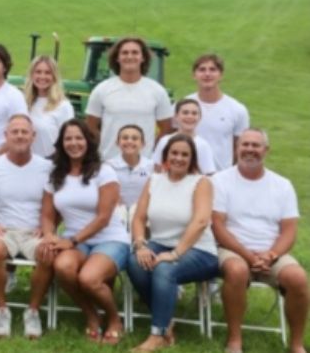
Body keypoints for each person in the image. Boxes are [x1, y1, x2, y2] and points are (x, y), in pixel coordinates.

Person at [212, 129, 307, 353]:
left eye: (256, 145)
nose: (250, 150)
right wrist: (247, 255)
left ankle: (296, 344)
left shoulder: (282, 185)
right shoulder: (220, 181)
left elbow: (289, 230)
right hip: (232, 249)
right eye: (245, 145)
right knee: (236, 271)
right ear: (237, 148)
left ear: (266, 150)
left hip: (271, 251)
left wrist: (271, 255)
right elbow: (217, 225)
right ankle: (235, 340)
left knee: (298, 278)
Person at [37, 119, 130, 345]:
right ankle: (90, 314)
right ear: (61, 143)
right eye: (68, 138)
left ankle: (114, 319)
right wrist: (49, 235)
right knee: (63, 267)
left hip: (109, 238)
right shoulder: (55, 174)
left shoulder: (104, 171)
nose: (74, 143)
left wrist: (72, 240)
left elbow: (103, 217)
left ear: (88, 141)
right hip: (75, 240)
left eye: (79, 138)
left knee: (89, 278)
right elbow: (48, 215)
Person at [126, 134, 218, 352]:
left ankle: (156, 334)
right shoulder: (154, 180)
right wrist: (140, 245)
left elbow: (201, 221)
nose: (178, 158)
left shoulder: (201, 182)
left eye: (185, 154)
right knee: (134, 263)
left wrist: (176, 254)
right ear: (165, 155)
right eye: (174, 153)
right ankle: (166, 321)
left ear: (192, 159)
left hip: (199, 250)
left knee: (164, 270)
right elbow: (139, 217)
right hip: (160, 243)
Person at [0, 114, 54, 339]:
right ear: (6, 136)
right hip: (3, 231)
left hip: (34, 232)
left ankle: (32, 311)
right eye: (14, 131)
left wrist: (48, 228)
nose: (20, 136)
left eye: (25, 131)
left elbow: (58, 205)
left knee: (47, 253)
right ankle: (1, 309)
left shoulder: (47, 168)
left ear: (33, 136)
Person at [86, 37, 173, 161]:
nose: (130, 56)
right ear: (117, 58)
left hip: (144, 165)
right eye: (125, 53)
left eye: (135, 52)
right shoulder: (102, 90)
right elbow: (90, 126)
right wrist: (104, 145)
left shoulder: (157, 91)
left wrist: (152, 151)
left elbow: (166, 128)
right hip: (109, 162)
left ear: (143, 58)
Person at [187, 54, 249, 172]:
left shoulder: (237, 110)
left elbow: (240, 148)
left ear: (221, 75)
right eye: (202, 69)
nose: (207, 74)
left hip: (221, 178)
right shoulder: (183, 107)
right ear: (194, 75)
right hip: (189, 176)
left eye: (213, 69)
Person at [22, 55, 74, 159]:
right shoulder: (23, 103)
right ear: (32, 75)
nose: (42, 76)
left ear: (54, 76)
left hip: (51, 163)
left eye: (47, 73)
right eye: (38, 72)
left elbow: (69, 139)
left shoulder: (63, 106)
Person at [151, 99, 216, 175]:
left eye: (194, 113)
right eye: (185, 113)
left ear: (200, 117)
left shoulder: (202, 145)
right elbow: (156, 168)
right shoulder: (165, 141)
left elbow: (209, 174)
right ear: (176, 116)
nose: (190, 116)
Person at [105, 124, 154, 208]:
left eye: (135, 138)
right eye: (125, 138)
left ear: (143, 144)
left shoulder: (151, 166)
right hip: (116, 214)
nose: (129, 141)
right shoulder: (108, 166)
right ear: (117, 142)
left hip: (143, 214)